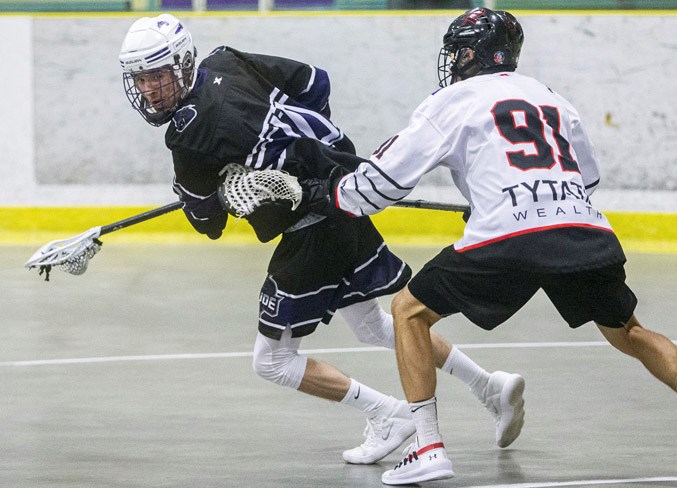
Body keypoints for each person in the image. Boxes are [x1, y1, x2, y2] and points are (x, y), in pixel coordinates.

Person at [117, 13, 526, 466]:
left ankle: (388, 415)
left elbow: (207, 224)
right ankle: (488, 386)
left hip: (310, 227)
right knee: (371, 325)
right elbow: (315, 83)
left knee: (271, 361)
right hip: (344, 197)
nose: (150, 89)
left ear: (182, 63)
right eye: (141, 78)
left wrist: (219, 192)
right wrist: (319, 160)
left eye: (158, 74)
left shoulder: (186, 136)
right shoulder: (226, 60)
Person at [302, 7, 677, 485]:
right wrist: (498, 200)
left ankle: (429, 446)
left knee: (408, 312)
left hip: (509, 235)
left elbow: (380, 186)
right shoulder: (552, 97)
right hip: (585, 231)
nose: (452, 60)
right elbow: (586, 177)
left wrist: (326, 192)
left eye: (458, 50)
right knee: (632, 333)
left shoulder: (451, 101)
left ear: (472, 53)